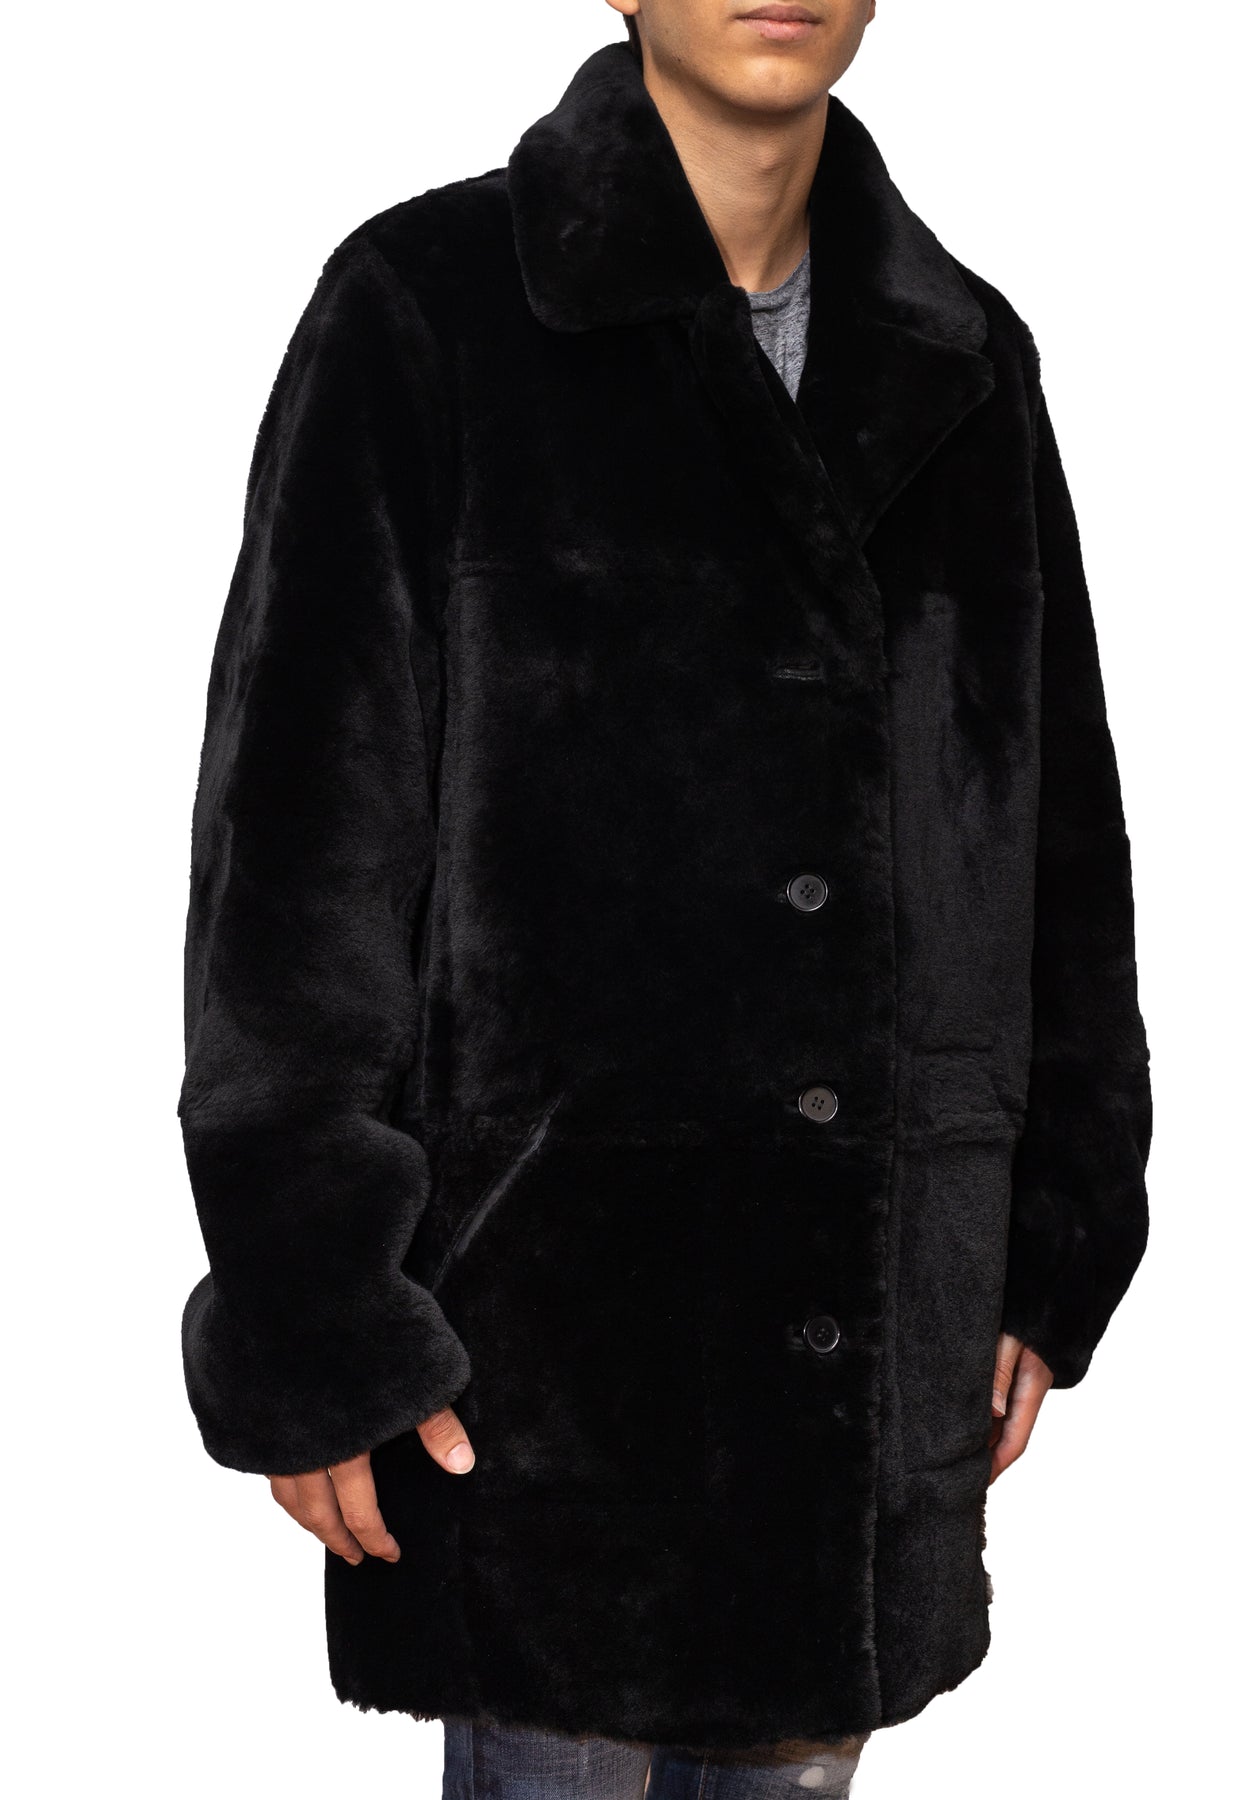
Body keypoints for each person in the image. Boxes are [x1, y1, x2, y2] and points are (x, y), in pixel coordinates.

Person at [176, 4, 1152, 1795]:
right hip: (536, 1344)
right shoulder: (430, 308)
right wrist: (312, 1304)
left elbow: (1053, 835)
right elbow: (296, 855)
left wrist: (1051, 1227)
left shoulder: (959, 357)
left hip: (863, 1337)